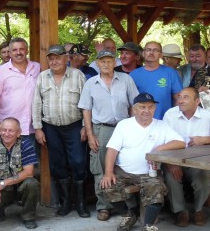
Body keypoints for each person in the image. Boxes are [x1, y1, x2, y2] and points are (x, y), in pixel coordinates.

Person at [99, 93, 185, 231]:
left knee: (157, 188)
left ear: (155, 109)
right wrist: (108, 172)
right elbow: (112, 150)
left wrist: (159, 148)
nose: (147, 110)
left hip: (149, 173)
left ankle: (148, 225)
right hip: (123, 171)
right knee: (107, 186)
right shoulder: (124, 125)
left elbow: (181, 142)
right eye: (142, 107)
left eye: (151, 107)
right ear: (134, 110)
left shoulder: (161, 125)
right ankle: (128, 215)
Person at [78, 50, 139, 221]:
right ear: (97, 63)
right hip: (101, 129)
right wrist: (90, 134)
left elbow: (134, 105)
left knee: (125, 165)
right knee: (100, 168)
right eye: (102, 61)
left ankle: (128, 205)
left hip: (123, 127)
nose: (106, 64)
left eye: (109, 61)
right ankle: (103, 207)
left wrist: (134, 129)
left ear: (115, 62)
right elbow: (86, 109)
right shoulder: (91, 83)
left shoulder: (126, 79)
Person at [32, 45, 89, 218]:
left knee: (78, 162)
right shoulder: (42, 77)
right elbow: (36, 103)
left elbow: (87, 103)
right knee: (57, 164)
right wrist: (38, 128)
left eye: (58, 57)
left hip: (74, 126)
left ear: (66, 58)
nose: (54, 61)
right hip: (51, 127)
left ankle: (80, 203)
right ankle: (65, 203)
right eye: (51, 58)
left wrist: (86, 126)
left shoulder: (78, 76)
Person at [162, 87, 210, 227]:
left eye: (186, 97)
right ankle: (180, 212)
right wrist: (171, 164)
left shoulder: (208, 116)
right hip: (174, 159)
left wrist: (205, 140)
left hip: (198, 162)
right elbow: (162, 141)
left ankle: (199, 210)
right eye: (180, 97)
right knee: (171, 179)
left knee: (203, 181)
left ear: (197, 101)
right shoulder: (170, 114)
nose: (181, 100)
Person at [0, 37, 40, 139]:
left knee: (30, 155)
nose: (18, 52)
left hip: (31, 127)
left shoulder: (37, 67)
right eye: (14, 50)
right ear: (10, 53)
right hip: (8, 128)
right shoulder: (0, 72)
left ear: (27, 50)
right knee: (7, 155)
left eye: (21, 49)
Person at [130, 41, 182, 120]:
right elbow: (130, 102)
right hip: (141, 122)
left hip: (165, 121)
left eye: (155, 50)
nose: (151, 52)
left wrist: (174, 118)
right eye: (148, 50)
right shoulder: (133, 75)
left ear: (161, 55)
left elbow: (179, 98)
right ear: (143, 53)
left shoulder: (171, 73)